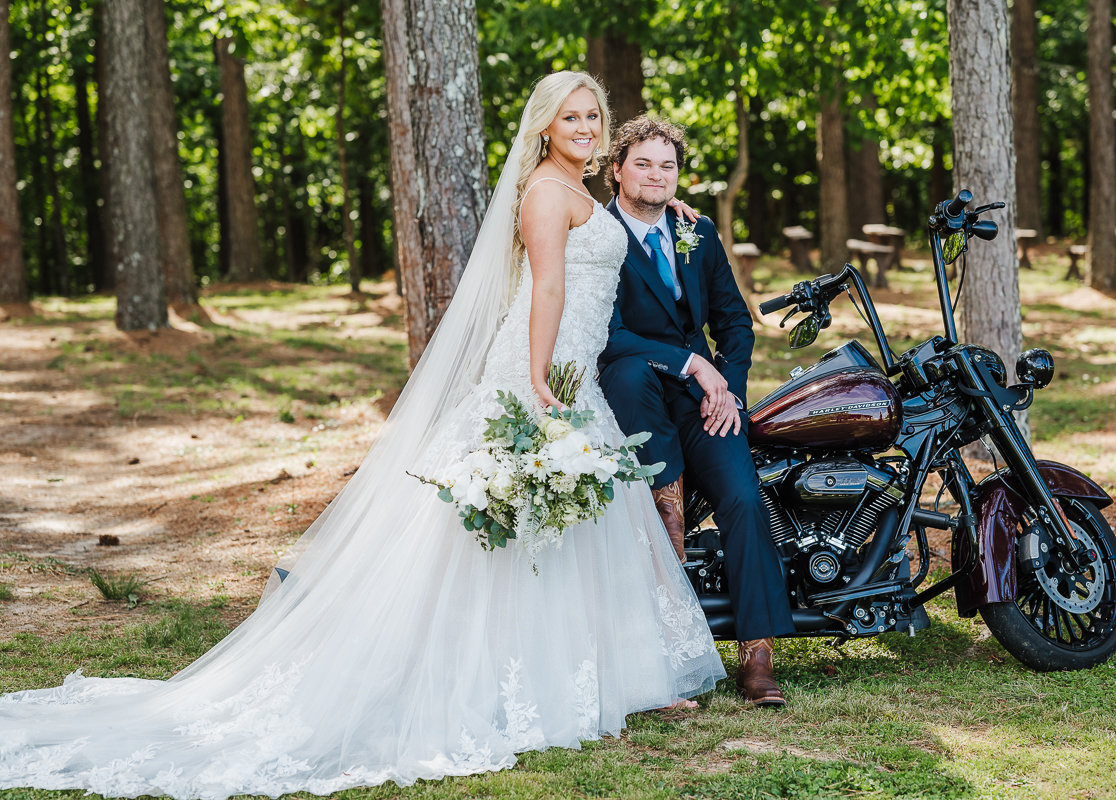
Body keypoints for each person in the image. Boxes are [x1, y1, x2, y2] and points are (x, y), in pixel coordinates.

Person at [0, 72, 724, 800]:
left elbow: (616, 244)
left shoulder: (581, 191)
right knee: (530, 519)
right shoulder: (544, 191)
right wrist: (539, 377)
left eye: (593, 115)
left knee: (581, 517)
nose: (586, 127)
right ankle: (530, 676)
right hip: (546, 365)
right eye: (571, 117)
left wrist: (675, 214)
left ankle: (605, 674)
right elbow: (548, 288)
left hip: (574, 368)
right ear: (544, 125)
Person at [598, 117, 794, 708]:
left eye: (668, 165)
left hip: (707, 399)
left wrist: (726, 386)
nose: (657, 175)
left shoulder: (697, 232)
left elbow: (733, 321)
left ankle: (757, 656)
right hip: (636, 393)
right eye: (643, 163)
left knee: (742, 496)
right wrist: (690, 363)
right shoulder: (596, 234)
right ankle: (667, 637)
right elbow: (607, 334)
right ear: (616, 170)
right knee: (633, 379)